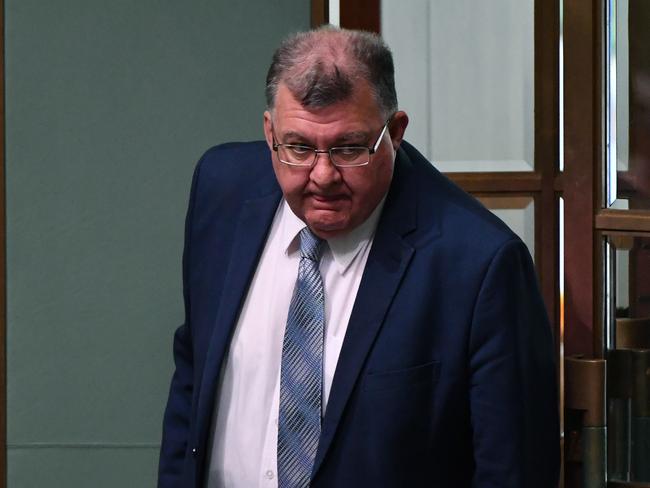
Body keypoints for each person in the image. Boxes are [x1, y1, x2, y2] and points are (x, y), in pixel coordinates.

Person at [158, 26, 559, 488]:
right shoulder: (221, 189)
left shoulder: (480, 265)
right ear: (269, 131)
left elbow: (512, 472)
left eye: (349, 148)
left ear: (396, 131)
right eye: (299, 147)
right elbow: (193, 377)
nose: (323, 175)